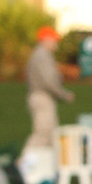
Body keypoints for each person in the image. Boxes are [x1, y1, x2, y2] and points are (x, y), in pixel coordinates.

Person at [23, 25, 73, 158]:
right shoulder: (42, 56)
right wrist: (63, 94)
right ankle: (23, 165)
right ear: (45, 39)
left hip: (43, 97)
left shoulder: (42, 55)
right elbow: (48, 81)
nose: (56, 42)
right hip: (42, 97)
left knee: (50, 135)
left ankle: (46, 170)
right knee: (43, 134)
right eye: (54, 39)